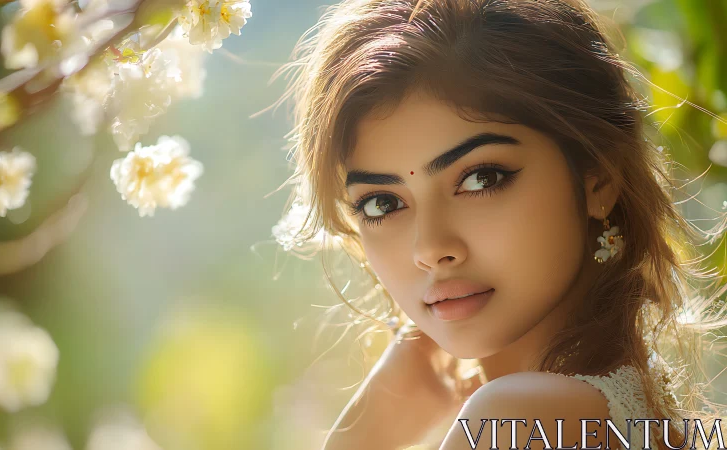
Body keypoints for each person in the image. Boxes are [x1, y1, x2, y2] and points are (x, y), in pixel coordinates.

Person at [270, 0, 727, 448]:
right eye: (382, 204)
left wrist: (362, 439)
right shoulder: (634, 414)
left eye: (480, 178)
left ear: (599, 177)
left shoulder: (515, 418)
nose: (429, 247)